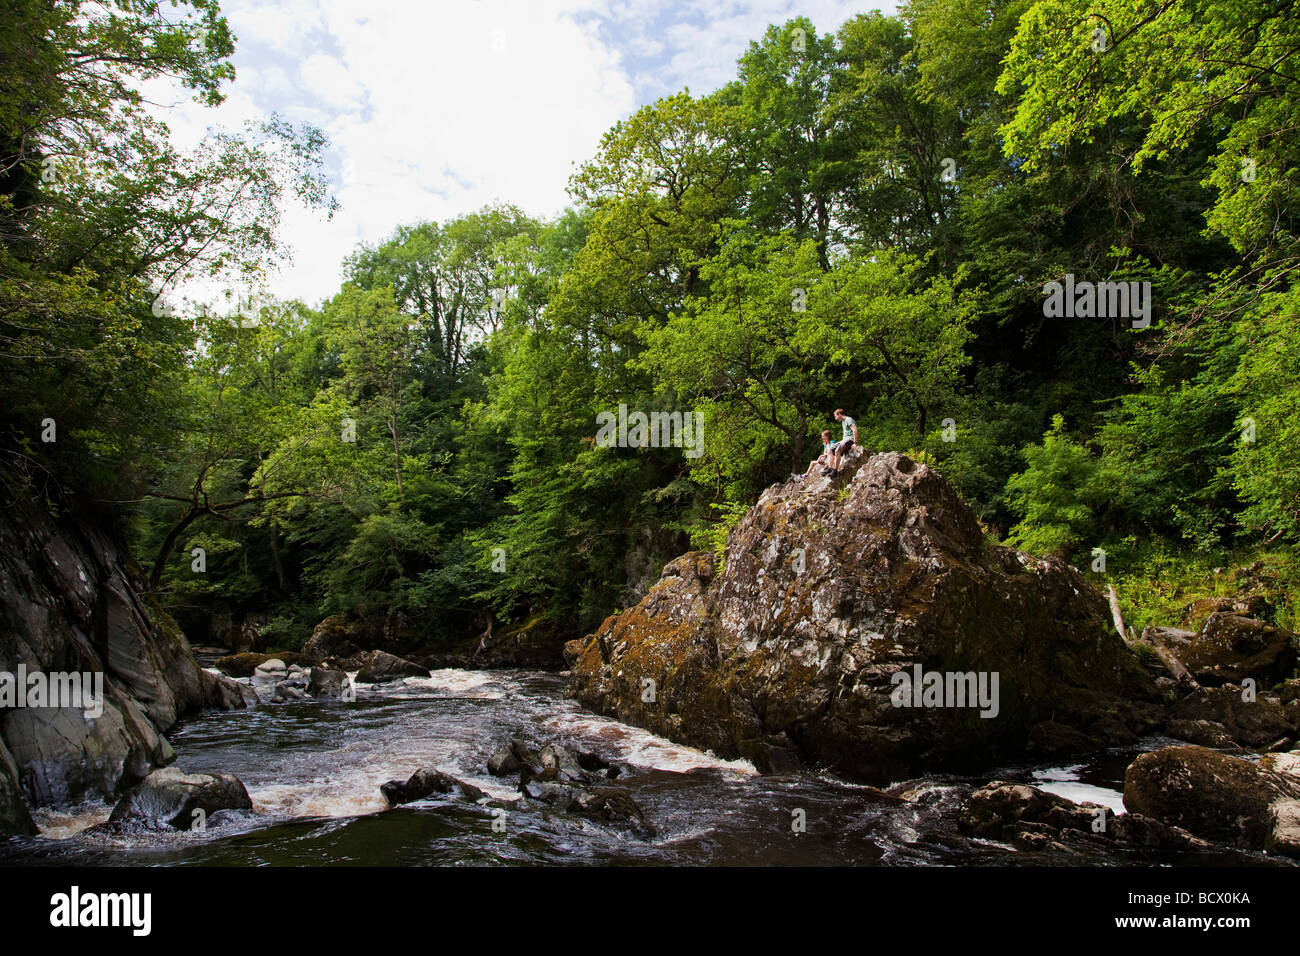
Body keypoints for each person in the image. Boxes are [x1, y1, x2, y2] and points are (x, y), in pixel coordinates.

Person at [825, 408, 857, 475]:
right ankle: (830, 468)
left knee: (837, 451)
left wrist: (855, 443)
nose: (835, 418)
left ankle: (835, 471)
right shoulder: (843, 421)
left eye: (836, 416)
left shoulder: (848, 419)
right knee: (830, 450)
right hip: (844, 440)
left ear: (839, 414)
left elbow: (855, 430)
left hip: (849, 439)